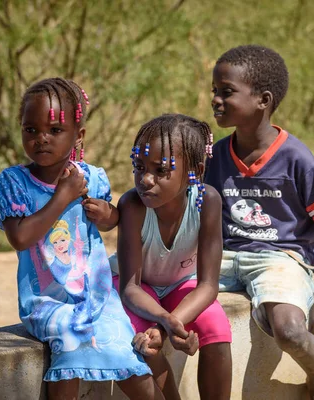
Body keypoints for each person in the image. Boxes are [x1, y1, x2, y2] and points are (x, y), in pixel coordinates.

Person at [0, 77, 163, 400]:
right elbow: (19, 237)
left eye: (54, 131)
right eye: (31, 130)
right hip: (47, 301)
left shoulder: (91, 177)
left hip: (96, 295)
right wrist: (62, 196)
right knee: (69, 342)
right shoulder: (14, 183)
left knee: (125, 349)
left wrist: (107, 214)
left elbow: (112, 221)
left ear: (78, 135)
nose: (41, 139)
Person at [205, 45, 314, 400]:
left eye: (226, 92)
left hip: (280, 259)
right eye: (214, 91)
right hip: (222, 258)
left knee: (289, 331)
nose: (215, 100)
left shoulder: (295, 159)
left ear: (263, 100)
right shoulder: (214, 157)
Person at [112, 114, 233, 400]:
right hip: (140, 290)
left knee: (216, 329)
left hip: (182, 285)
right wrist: (164, 322)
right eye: (139, 167)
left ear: (195, 170)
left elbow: (207, 286)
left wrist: (171, 321)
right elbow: (129, 287)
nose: (145, 180)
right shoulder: (133, 206)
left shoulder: (207, 202)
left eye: (161, 170)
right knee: (144, 342)